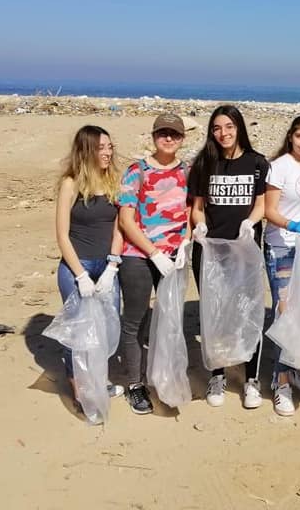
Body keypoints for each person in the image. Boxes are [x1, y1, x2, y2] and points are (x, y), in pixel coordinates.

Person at [189, 105, 268, 410]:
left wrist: (250, 223)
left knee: (248, 312)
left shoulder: (257, 163)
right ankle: (218, 375)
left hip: (244, 251)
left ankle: (250, 380)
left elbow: (260, 204)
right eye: (217, 128)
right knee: (216, 313)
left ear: (239, 128)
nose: (223, 134)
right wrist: (199, 225)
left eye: (229, 127)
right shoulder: (204, 163)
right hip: (210, 251)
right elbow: (197, 206)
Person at [117, 113, 190, 415]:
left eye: (174, 134)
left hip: (176, 256)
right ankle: (135, 383)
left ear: (182, 138)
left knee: (170, 319)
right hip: (138, 255)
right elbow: (126, 219)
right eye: (163, 133)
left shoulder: (188, 171)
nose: (168, 138)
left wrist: (186, 241)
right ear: (153, 136)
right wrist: (153, 253)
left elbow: (190, 210)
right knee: (135, 319)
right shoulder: (137, 171)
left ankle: (165, 375)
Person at [53, 125, 125, 408]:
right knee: (78, 332)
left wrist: (112, 266)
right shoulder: (71, 184)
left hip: (107, 265)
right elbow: (61, 234)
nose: (108, 152)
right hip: (76, 266)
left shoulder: (114, 181)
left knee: (107, 326)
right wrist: (80, 275)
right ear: (87, 150)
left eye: (109, 147)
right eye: (101, 148)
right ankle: (80, 390)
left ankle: (99, 380)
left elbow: (120, 227)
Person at [263, 115, 300, 416]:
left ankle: (296, 367)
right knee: (284, 312)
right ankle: (280, 379)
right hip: (281, 246)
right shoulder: (279, 166)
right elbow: (268, 210)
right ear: (291, 136)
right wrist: (291, 224)